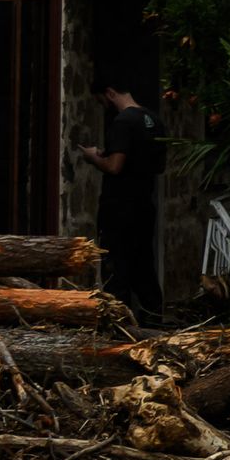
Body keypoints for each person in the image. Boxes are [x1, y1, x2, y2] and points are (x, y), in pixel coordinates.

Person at [88, 85, 170, 317]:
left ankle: (120, 323)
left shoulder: (123, 122)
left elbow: (115, 166)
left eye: (101, 100)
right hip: (144, 204)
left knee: (115, 267)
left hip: (119, 206)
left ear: (110, 93)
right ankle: (154, 319)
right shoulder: (154, 120)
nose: (103, 106)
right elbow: (160, 166)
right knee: (143, 264)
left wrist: (94, 158)